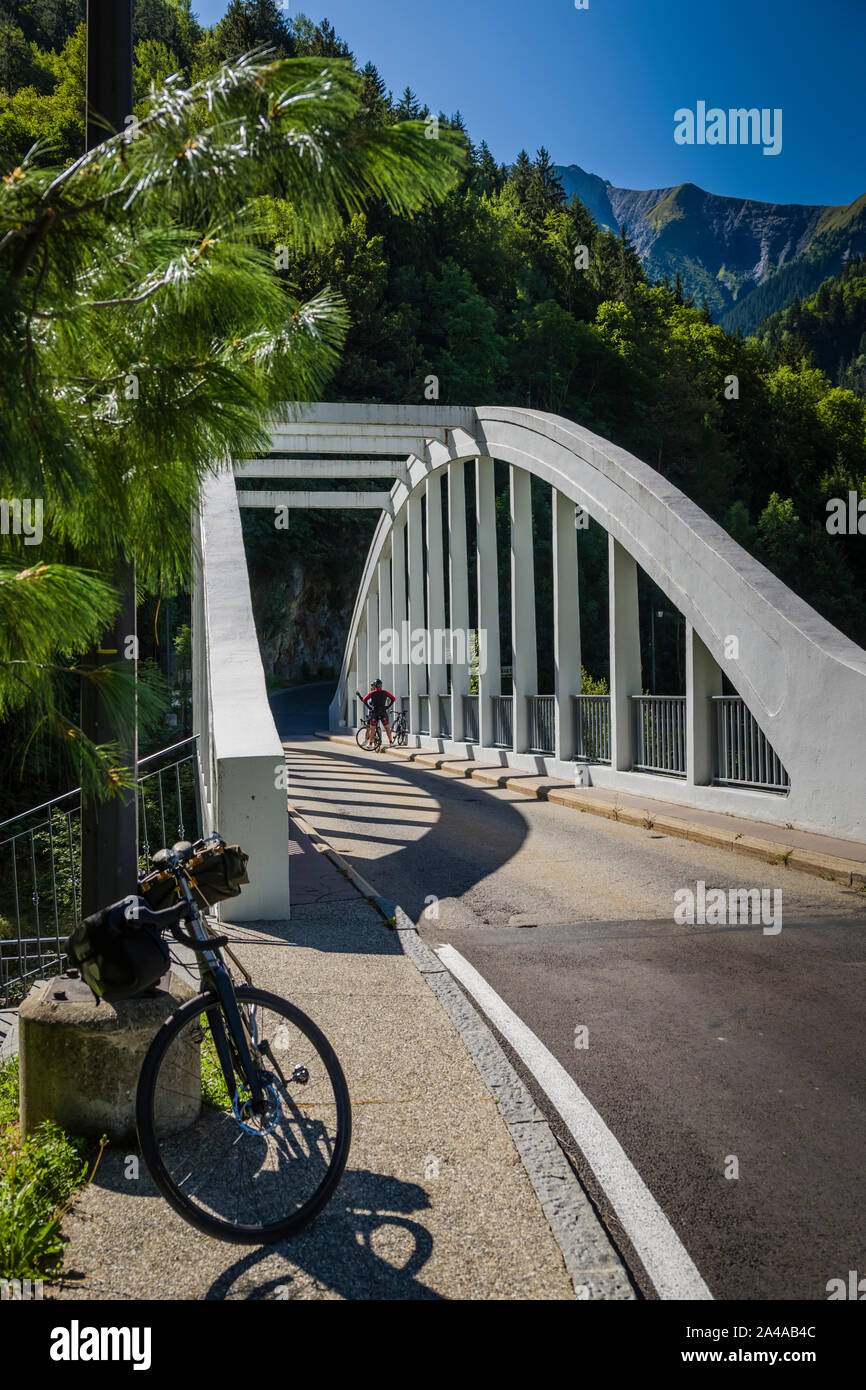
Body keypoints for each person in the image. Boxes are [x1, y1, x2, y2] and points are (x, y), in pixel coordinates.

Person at [356, 678, 396, 745]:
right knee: (387, 727)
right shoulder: (385, 692)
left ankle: (370, 743)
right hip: (383, 712)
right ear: (381, 685)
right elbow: (393, 698)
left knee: (372, 729)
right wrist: (388, 707)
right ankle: (391, 742)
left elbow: (364, 700)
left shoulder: (372, 693)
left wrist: (369, 707)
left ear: (375, 685)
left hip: (375, 712)